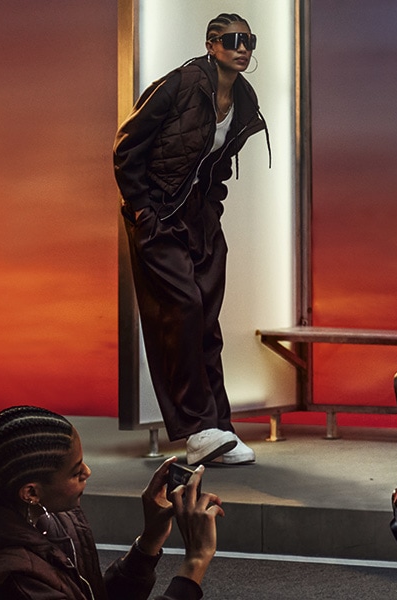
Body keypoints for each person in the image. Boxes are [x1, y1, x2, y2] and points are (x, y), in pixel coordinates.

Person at [112, 14, 269, 466]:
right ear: (212, 44)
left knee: (205, 320)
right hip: (157, 214)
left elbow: (215, 166)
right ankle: (196, 428)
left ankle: (218, 426)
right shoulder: (179, 85)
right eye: (235, 41)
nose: (244, 49)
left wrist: (212, 207)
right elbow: (126, 148)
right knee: (182, 310)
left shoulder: (243, 97)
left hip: (199, 218)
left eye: (249, 41)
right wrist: (142, 211)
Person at [0, 406, 226, 600]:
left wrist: (148, 542)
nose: (88, 472)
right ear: (31, 492)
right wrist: (195, 563)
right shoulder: (15, 583)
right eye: (75, 471)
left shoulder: (46, 515)